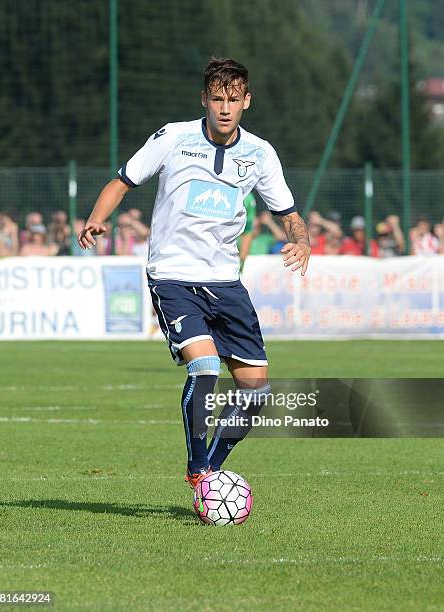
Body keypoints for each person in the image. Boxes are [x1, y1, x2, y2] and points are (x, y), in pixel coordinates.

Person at [78, 57, 311, 489]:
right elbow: (122, 181)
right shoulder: (174, 137)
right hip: (172, 275)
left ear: (247, 102)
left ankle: (213, 468)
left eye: (234, 99)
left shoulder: (260, 153)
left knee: (255, 389)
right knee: (204, 367)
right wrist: (95, 217)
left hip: (226, 282)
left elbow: (288, 213)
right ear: (204, 99)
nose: (225, 107)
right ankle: (199, 469)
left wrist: (301, 239)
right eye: (218, 98)